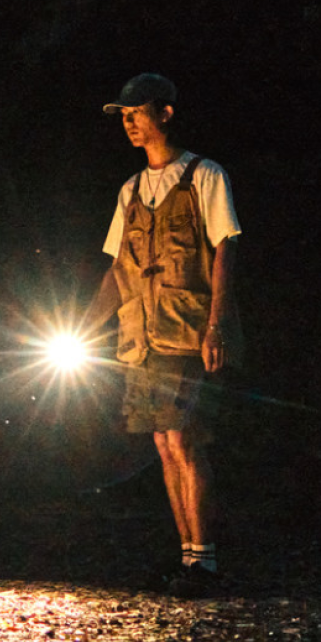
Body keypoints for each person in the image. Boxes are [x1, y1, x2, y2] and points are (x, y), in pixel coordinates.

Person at [86, 73, 241, 597]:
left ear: (166, 114)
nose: (129, 123)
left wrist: (217, 324)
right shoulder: (130, 190)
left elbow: (225, 249)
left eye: (137, 113)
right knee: (161, 441)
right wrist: (86, 327)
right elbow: (117, 269)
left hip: (186, 331)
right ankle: (188, 556)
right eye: (124, 116)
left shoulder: (204, 176)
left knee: (184, 438)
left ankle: (207, 563)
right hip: (141, 337)